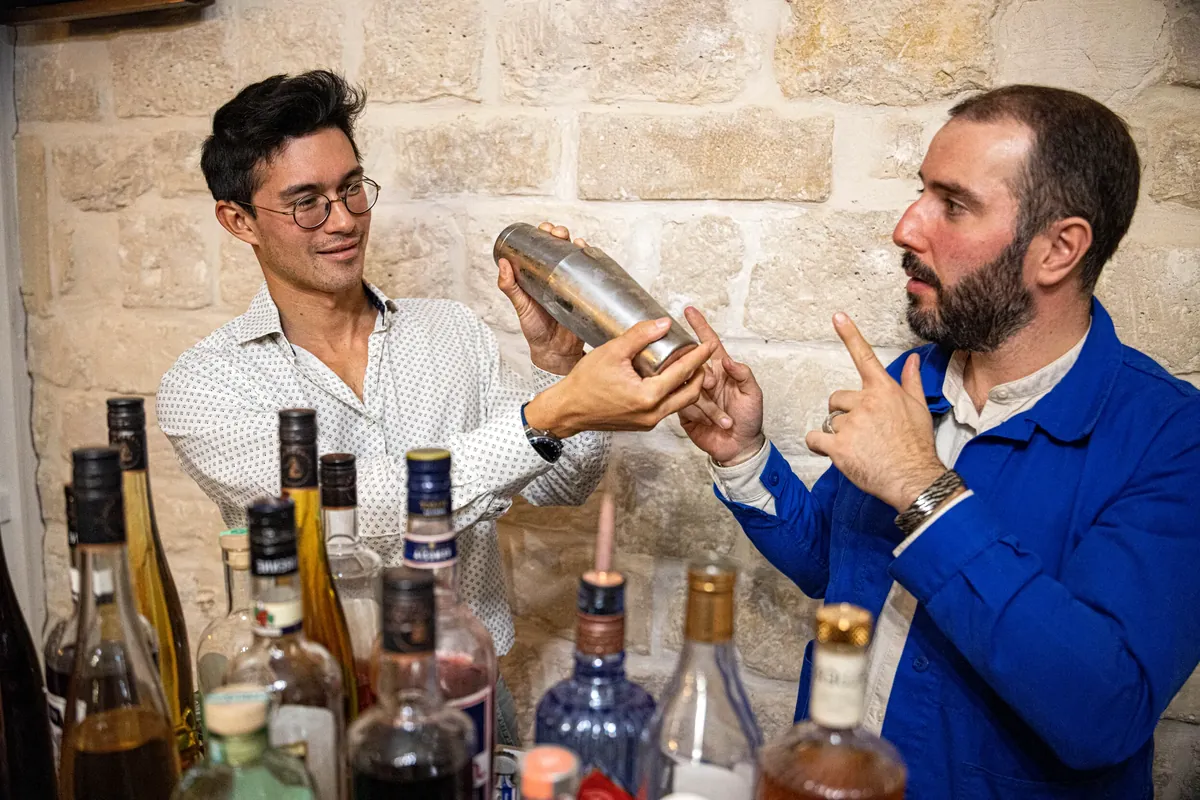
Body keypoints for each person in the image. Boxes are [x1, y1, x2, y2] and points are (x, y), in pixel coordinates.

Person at [156, 70, 716, 743]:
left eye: (351, 188)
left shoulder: (451, 331)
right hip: (312, 712)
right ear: (238, 220)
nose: (343, 220)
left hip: (466, 693)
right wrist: (550, 413)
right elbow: (362, 505)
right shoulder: (206, 385)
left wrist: (563, 365)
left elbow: (565, 484)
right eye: (307, 202)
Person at [678, 84, 1200, 799]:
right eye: (920, 193)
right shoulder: (911, 379)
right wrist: (742, 452)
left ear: (1058, 249)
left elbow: (1102, 712)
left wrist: (923, 489)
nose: (905, 227)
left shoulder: (1172, 441)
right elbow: (834, 565)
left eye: (952, 204)